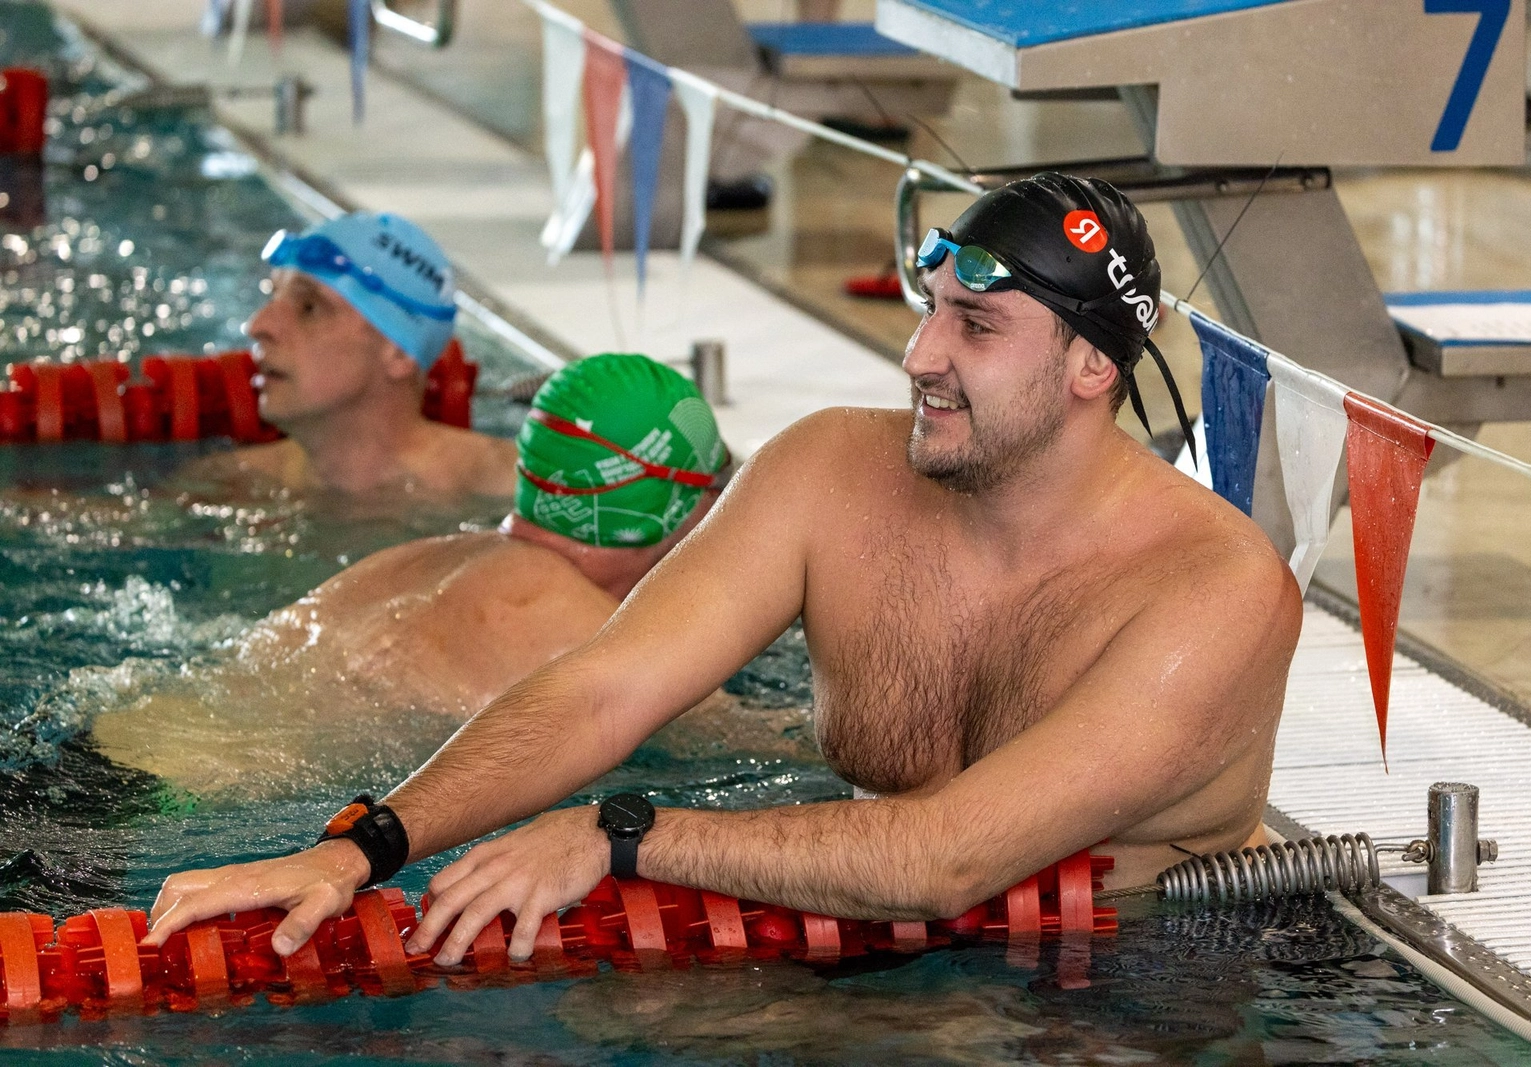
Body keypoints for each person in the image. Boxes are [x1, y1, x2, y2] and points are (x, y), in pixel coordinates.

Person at [144, 175, 1303, 966]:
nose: (919, 356)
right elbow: (605, 685)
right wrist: (356, 846)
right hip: (860, 947)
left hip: (1132, 988)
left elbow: (950, 853)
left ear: (1092, 367)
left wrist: (622, 828)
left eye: (975, 327)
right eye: (928, 310)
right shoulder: (829, 473)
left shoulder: (1212, 594)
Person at [91, 354, 745, 797]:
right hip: (158, 805)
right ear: (669, 504)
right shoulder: (573, 620)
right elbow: (766, 745)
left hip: (94, 749)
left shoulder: (429, 557)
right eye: (715, 488)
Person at [182, 211, 516, 497]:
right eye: (272, 298)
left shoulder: (510, 490)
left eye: (310, 307)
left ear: (398, 353)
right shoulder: (222, 485)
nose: (258, 325)